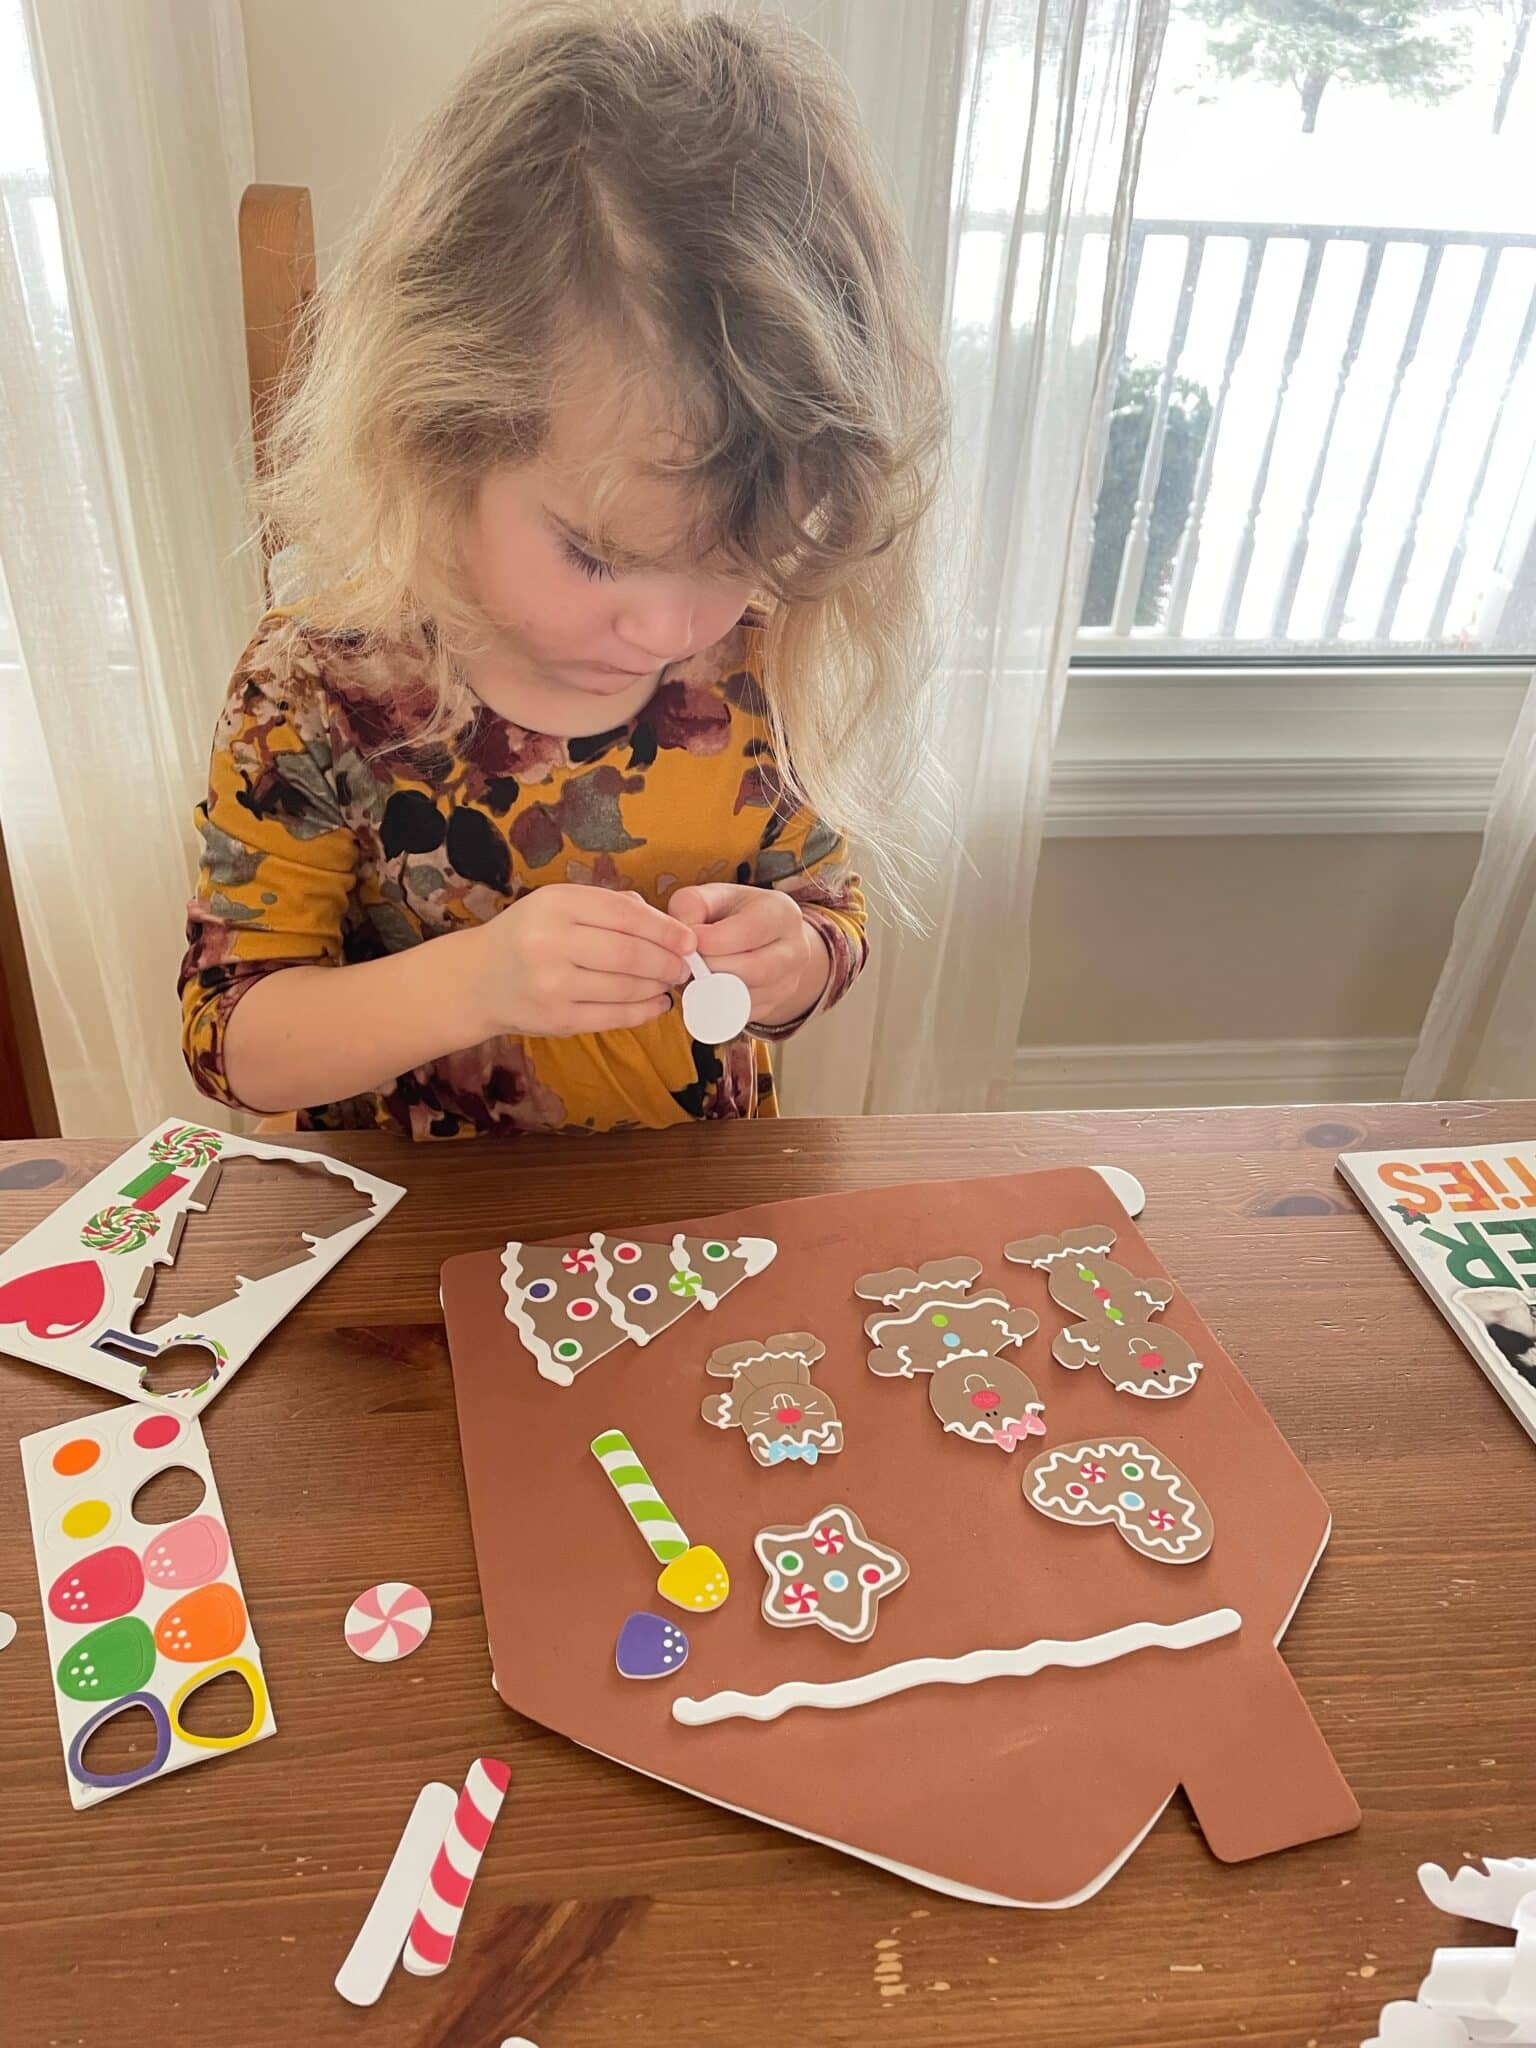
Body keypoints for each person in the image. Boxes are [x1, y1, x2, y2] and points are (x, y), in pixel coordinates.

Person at [179, 0, 947, 1140]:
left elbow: (831, 906)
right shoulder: (319, 687)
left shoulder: (762, 657)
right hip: (413, 1251)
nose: (669, 626)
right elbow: (233, 1038)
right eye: (599, 555)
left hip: (690, 1243)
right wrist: (473, 982)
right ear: (438, 442)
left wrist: (796, 958)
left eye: (735, 554)